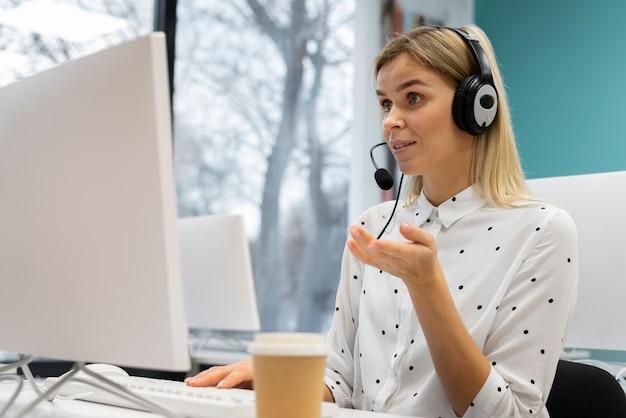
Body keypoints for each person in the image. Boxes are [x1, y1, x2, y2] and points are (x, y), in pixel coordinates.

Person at [185, 25, 578, 418]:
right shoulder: (374, 227)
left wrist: (427, 286)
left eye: (413, 98)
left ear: (477, 106)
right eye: (386, 103)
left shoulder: (542, 233)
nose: (391, 121)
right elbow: (342, 382)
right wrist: (279, 382)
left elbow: (512, 415)